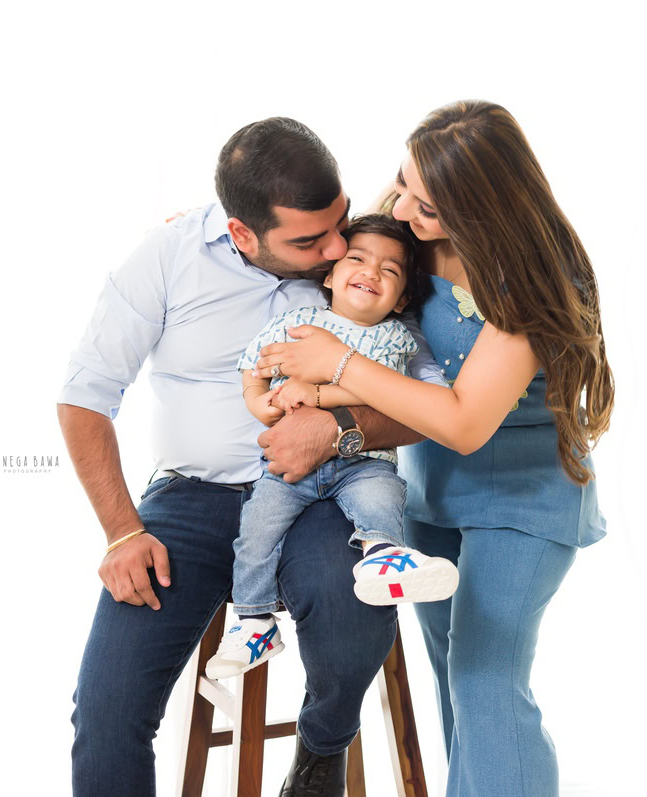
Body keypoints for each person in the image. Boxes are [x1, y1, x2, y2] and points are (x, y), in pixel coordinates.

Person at [58, 117, 449, 797]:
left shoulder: (358, 256)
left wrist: (342, 429)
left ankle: (321, 748)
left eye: (341, 224)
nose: (336, 248)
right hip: (191, 500)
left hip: (325, 492)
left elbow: (428, 399)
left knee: (354, 598)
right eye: (309, 241)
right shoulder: (167, 257)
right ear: (242, 234)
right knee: (107, 708)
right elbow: (84, 397)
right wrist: (122, 531)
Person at [251, 100, 614, 797]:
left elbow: (463, 421)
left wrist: (339, 367)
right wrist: (223, 250)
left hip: (524, 496)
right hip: (434, 492)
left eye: (432, 205)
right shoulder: (405, 223)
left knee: (487, 681)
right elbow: (334, 269)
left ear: (483, 208)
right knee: (456, 677)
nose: (406, 207)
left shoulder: (532, 279)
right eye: (404, 181)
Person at [204, 214, 459, 681]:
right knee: (257, 529)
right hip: (289, 468)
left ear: (402, 298)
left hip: (363, 462)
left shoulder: (396, 339)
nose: (371, 272)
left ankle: (385, 555)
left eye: (390, 270)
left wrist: (319, 394)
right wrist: (259, 403)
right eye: (357, 259)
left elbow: (383, 394)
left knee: (381, 497)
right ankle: (254, 621)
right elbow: (253, 364)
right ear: (330, 274)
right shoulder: (297, 322)